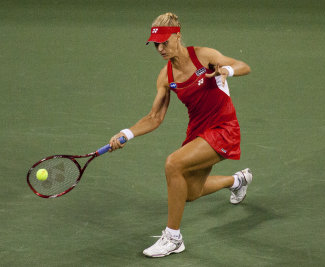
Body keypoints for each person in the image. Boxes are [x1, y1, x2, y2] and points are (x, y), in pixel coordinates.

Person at [108, 12, 252, 258]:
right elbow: (155, 117)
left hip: (223, 128)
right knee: (190, 193)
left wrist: (226, 70)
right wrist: (126, 133)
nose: (161, 48)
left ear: (177, 36)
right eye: (156, 45)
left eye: (165, 42)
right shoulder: (166, 76)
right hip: (198, 132)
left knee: (173, 163)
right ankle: (238, 181)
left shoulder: (204, 56)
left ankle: (173, 238)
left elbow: (244, 66)